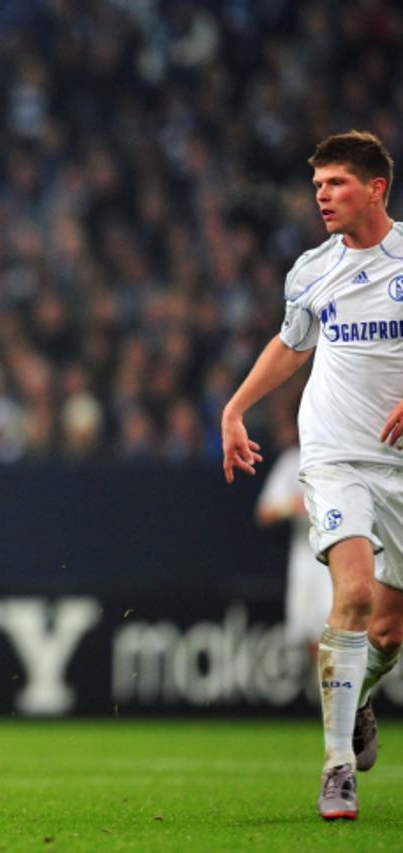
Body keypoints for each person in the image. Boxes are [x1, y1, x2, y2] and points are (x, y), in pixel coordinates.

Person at [222, 130, 403, 821]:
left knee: (388, 632)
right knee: (352, 592)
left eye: (336, 184)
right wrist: (237, 406)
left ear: (375, 188)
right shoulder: (313, 269)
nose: (322, 195)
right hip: (333, 453)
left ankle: (355, 698)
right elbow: (291, 344)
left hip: (400, 465)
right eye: (318, 184)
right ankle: (336, 768)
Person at [254, 420, 332, 666]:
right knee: (310, 631)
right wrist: (292, 506)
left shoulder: (342, 458)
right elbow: (264, 513)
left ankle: (349, 696)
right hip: (305, 557)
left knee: (342, 629)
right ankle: (332, 699)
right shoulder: (291, 461)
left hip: (338, 554)